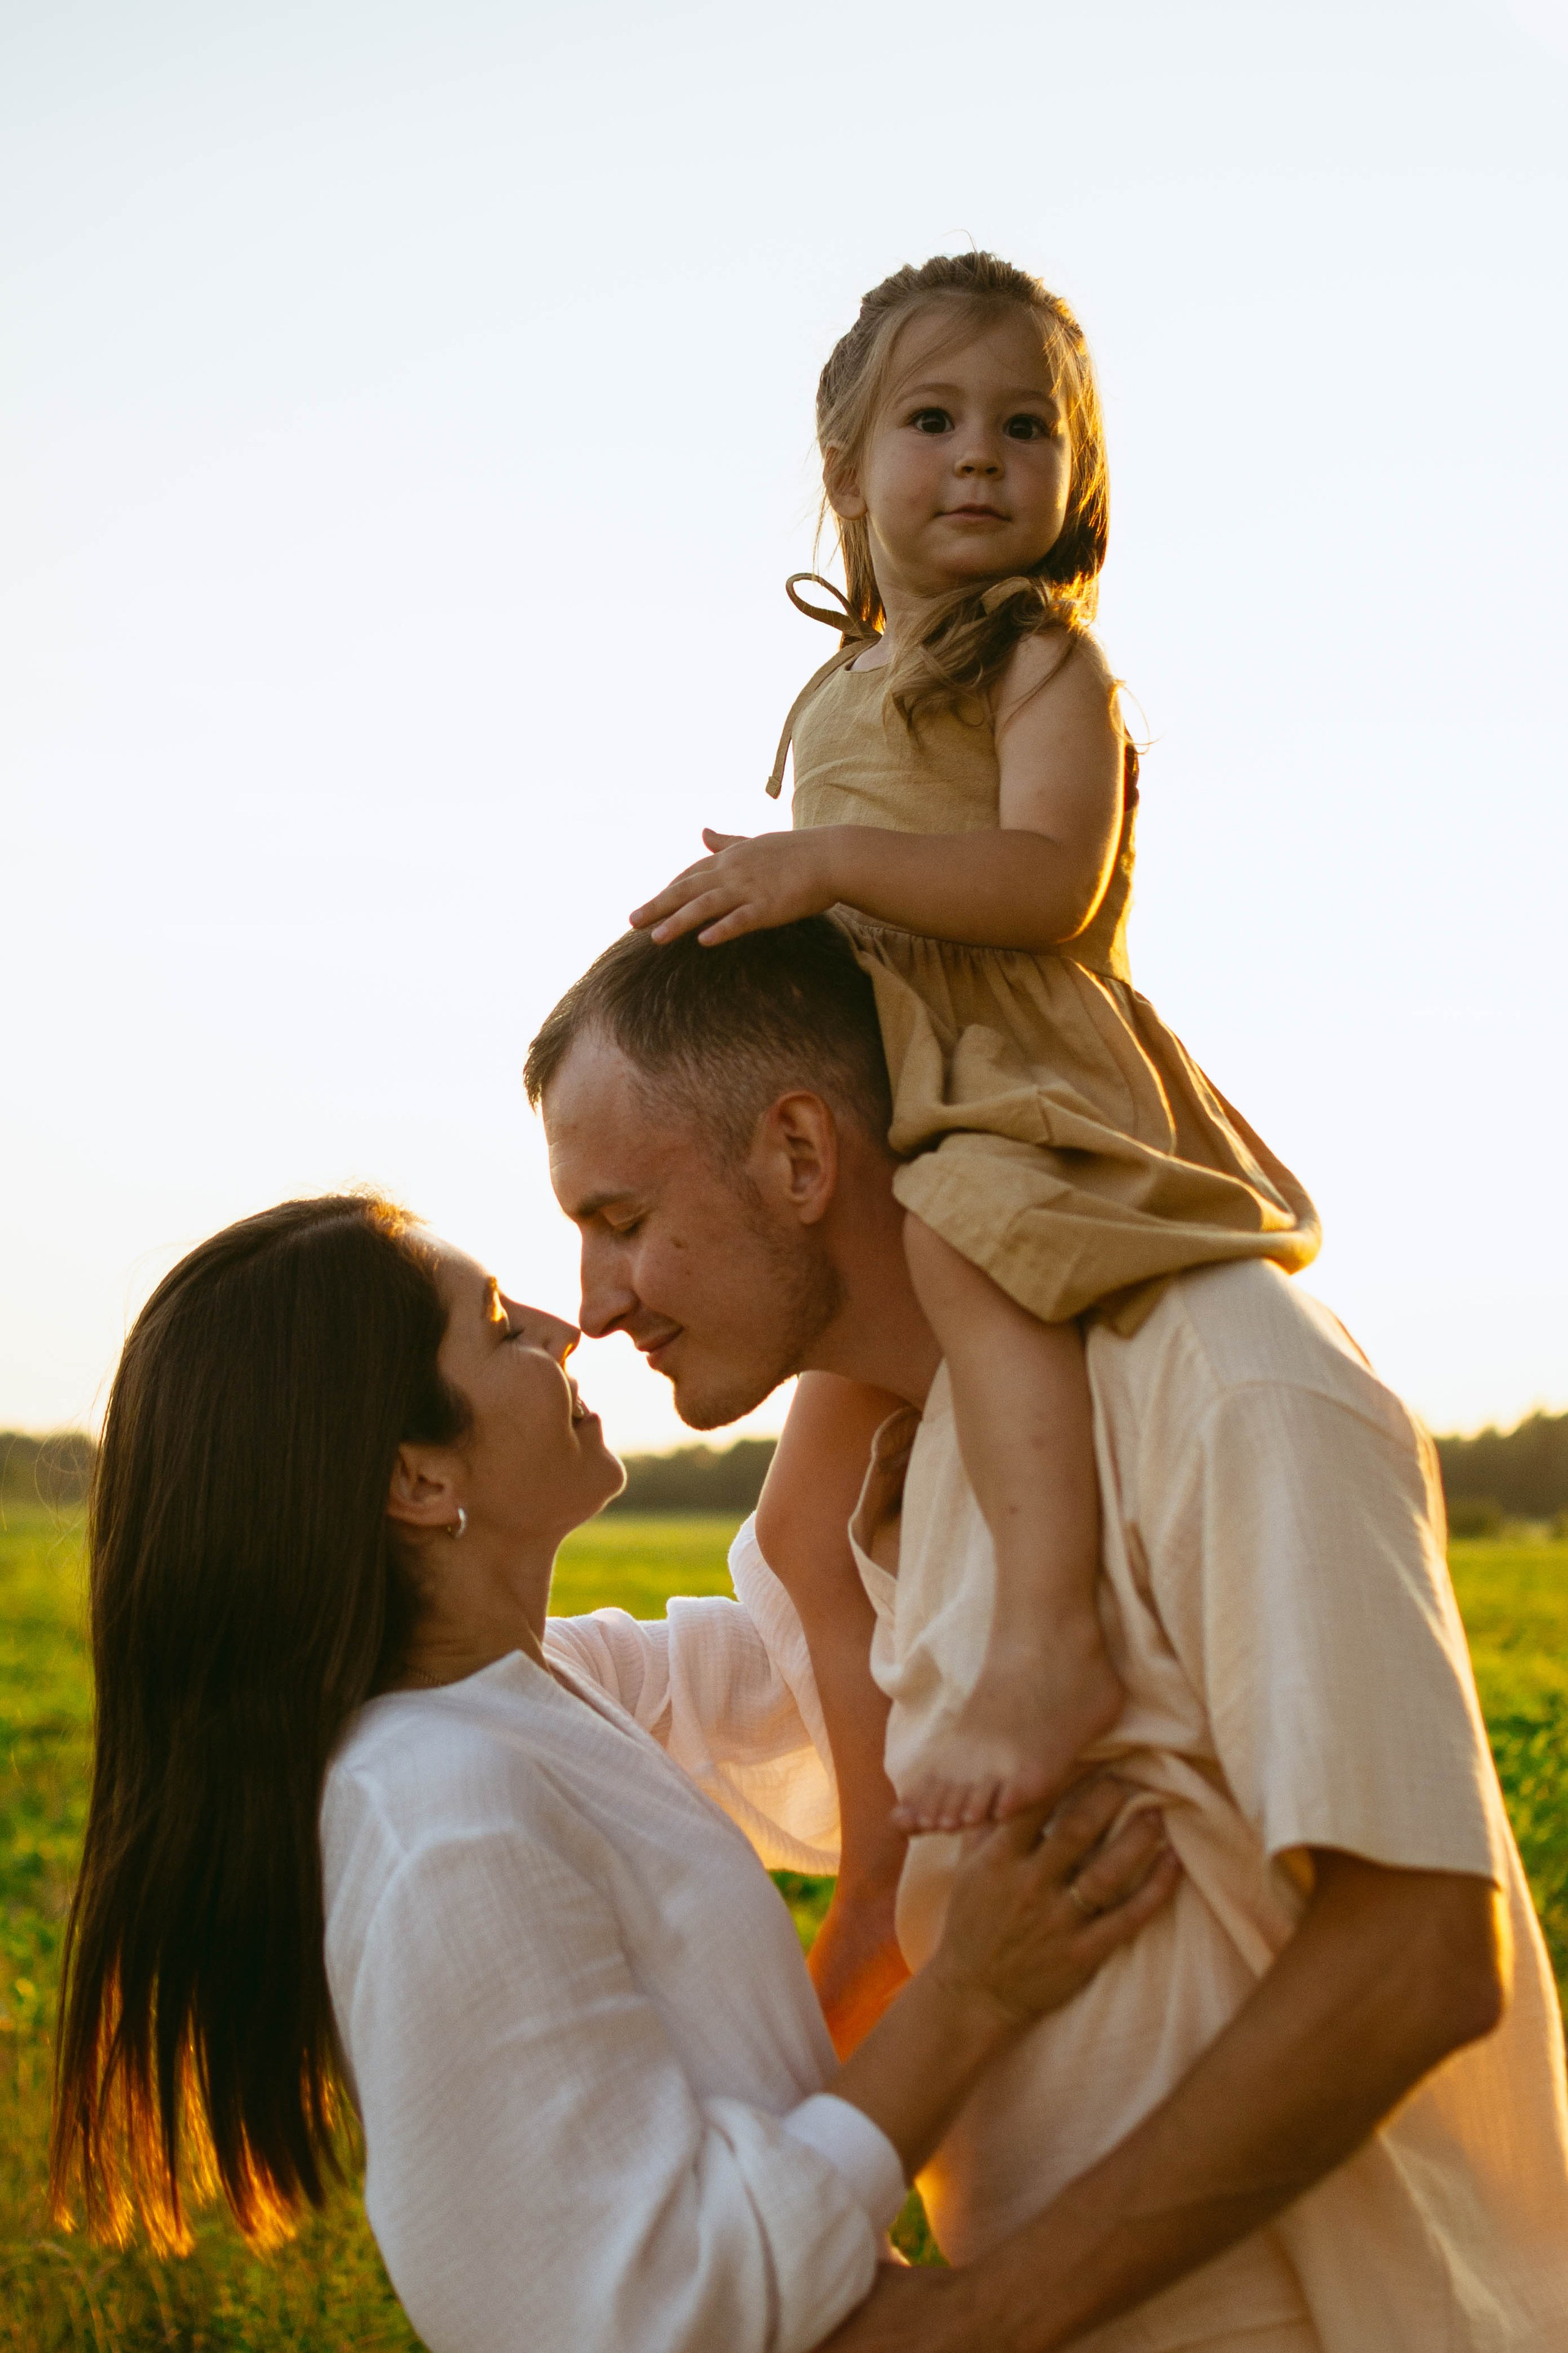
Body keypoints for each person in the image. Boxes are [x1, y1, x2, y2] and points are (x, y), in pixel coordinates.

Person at [526, 915, 1568, 2352]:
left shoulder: (1218, 1370)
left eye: (620, 1220)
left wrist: (978, 2324)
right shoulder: (905, 1483)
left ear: (800, 1154)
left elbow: (1413, 1955)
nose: (591, 1301)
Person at [48, 1192, 1178, 2353]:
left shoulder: (536, 1686)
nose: (559, 1325)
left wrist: (859, 1301)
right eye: (496, 1326)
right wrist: (975, 1993)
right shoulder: (440, 1822)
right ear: (420, 1483)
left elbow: (806, 1689)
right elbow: (650, 2318)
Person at [630, 255, 1320, 1919]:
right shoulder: (836, 692)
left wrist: (827, 862)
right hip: (892, 1103)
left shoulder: (1044, 667)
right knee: (801, 1535)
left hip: (1015, 1079)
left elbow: (1047, 886)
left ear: (1076, 479)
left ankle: (1051, 1638)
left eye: (1027, 427)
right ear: (846, 472)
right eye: (932, 421)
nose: (980, 457)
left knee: (955, 1247)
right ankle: (880, 1866)